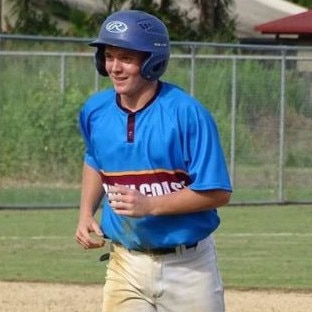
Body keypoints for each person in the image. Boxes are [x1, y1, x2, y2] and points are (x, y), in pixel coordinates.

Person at [75, 9, 232, 312]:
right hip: (125, 262)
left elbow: (218, 192)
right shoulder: (95, 111)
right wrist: (85, 212)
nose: (115, 68)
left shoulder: (186, 114)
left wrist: (150, 206)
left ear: (152, 61)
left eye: (126, 58)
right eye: (109, 56)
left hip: (189, 267)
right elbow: (95, 157)